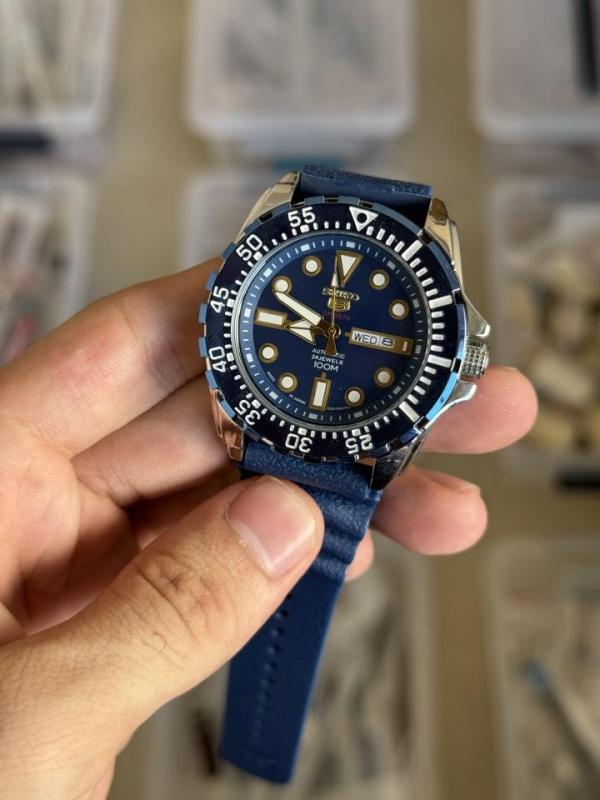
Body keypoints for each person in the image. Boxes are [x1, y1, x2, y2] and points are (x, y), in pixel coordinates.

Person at [0, 261, 537, 800]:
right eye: (323, 327)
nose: (330, 334)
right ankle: (252, 754)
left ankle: (253, 755)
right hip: (273, 426)